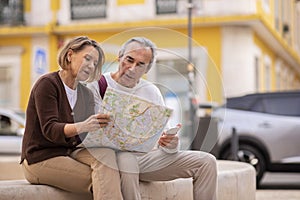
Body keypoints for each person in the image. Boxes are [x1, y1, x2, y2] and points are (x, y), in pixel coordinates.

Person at [87, 37, 218, 200]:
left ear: (147, 69)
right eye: (129, 60)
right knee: (127, 161)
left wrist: (171, 143)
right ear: (119, 56)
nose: (132, 68)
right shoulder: (96, 86)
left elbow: (164, 140)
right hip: (115, 158)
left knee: (207, 162)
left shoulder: (151, 91)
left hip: (147, 159)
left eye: (140, 64)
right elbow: (88, 134)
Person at [20, 36, 123, 200]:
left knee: (106, 156)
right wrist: (83, 126)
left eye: (95, 63)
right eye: (87, 58)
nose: (91, 66)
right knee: (105, 181)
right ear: (69, 55)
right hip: (40, 158)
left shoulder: (86, 94)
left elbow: (85, 138)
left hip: (70, 152)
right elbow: (50, 129)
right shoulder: (47, 84)